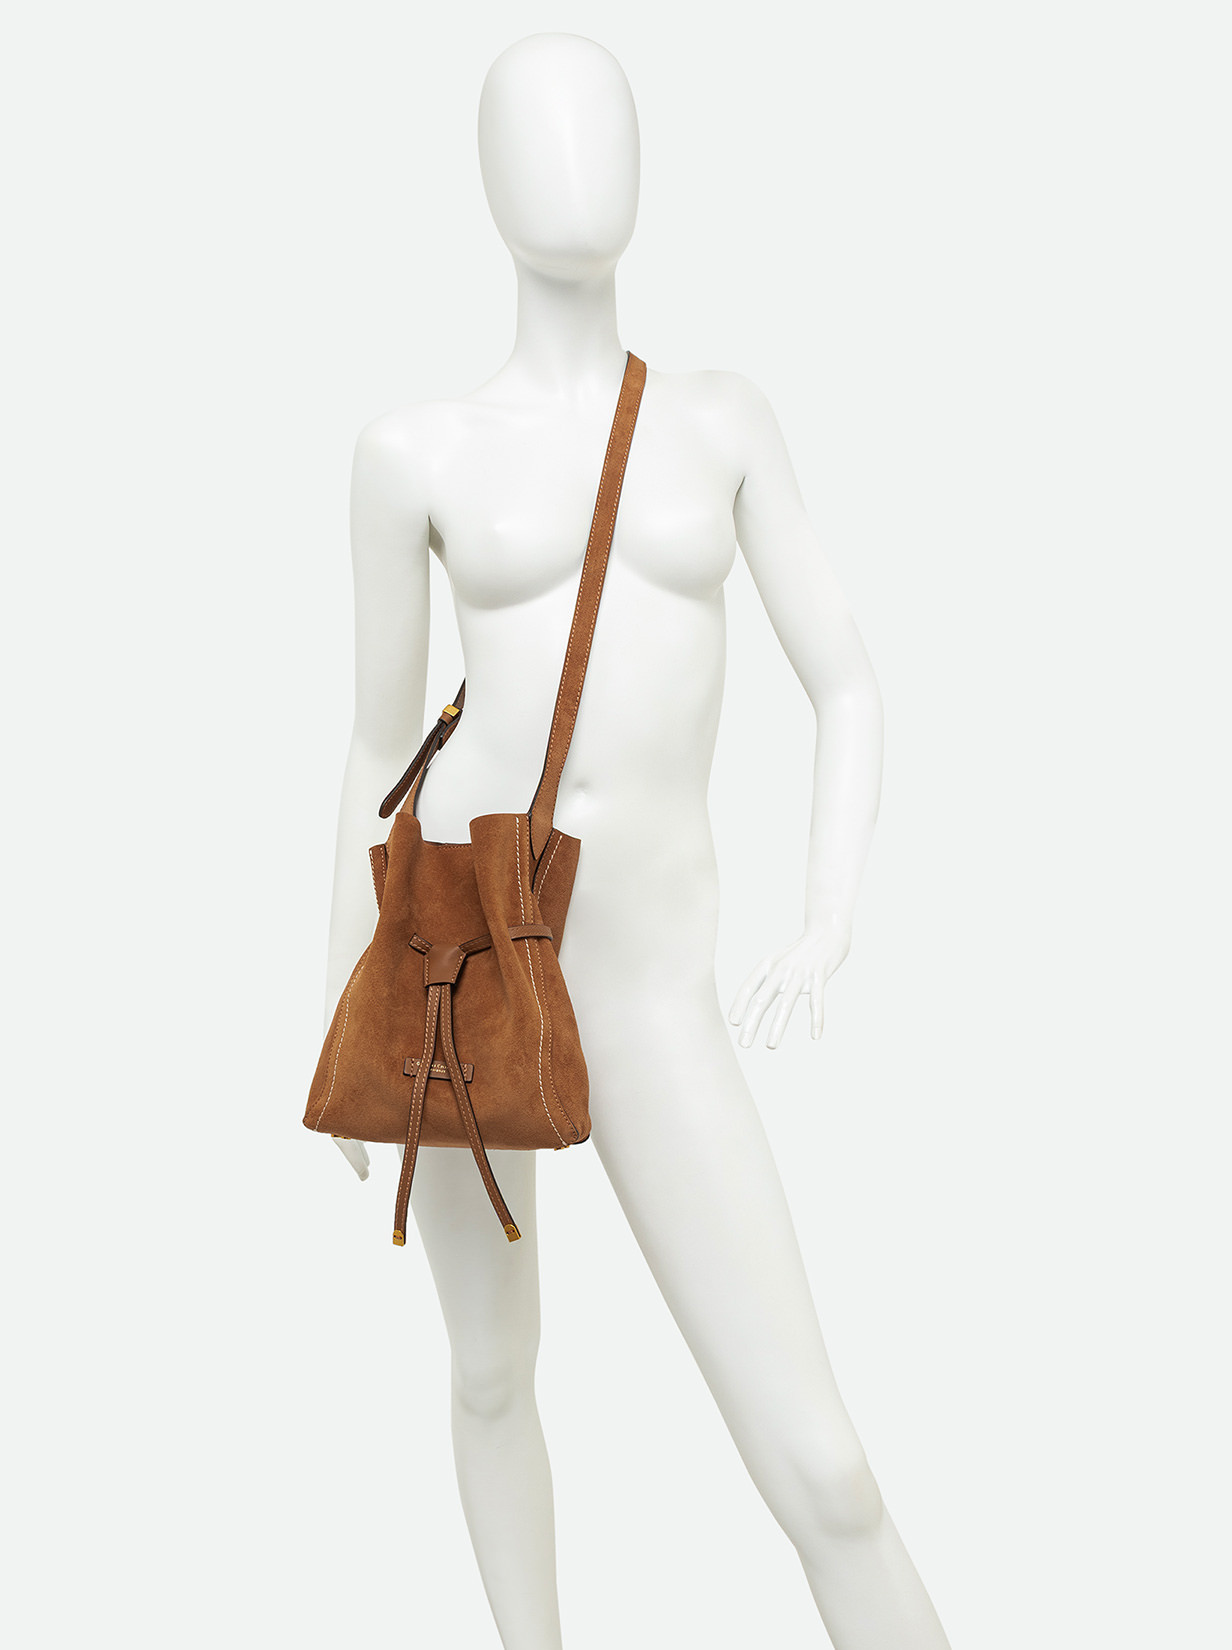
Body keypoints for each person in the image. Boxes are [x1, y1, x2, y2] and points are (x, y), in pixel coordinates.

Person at [319, 31, 952, 1650]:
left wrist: (829, 913)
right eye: (539, 129)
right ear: (484, 176)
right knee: (488, 1369)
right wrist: (344, 1006)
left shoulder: (721, 424)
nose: (576, 157)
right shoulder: (411, 454)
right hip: (462, 963)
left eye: (603, 121)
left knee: (826, 1469)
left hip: (656, 986)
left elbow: (849, 679)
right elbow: (378, 747)